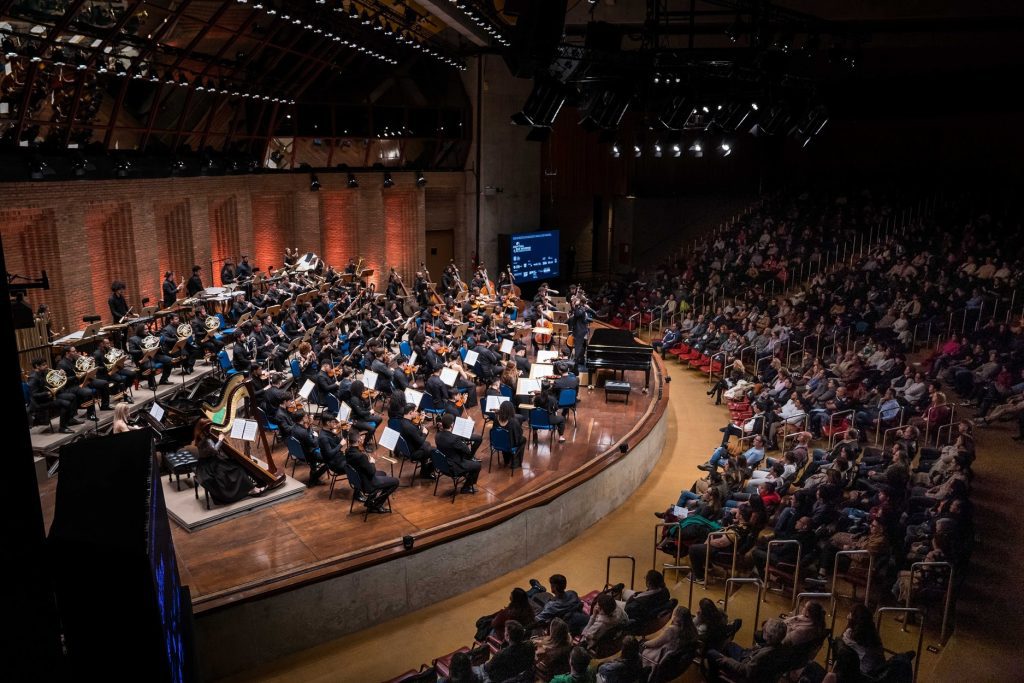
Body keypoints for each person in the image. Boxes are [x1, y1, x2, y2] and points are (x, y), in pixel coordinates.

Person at [192, 418, 264, 504]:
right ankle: (252, 489)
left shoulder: (202, 435)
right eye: (210, 426)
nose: (212, 428)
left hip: (210, 462)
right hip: (209, 467)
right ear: (205, 427)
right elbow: (215, 450)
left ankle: (251, 486)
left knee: (235, 464)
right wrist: (220, 440)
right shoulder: (205, 440)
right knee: (237, 469)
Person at [706, 617, 790, 681]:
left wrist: (727, 660)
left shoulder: (763, 655)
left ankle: (713, 678)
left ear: (768, 636)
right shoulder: (781, 648)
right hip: (749, 658)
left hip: (744, 673)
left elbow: (745, 671)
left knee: (711, 653)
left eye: (764, 631)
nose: (762, 630)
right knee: (730, 645)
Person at [345, 431, 398, 513]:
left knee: (383, 473)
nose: (362, 438)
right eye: (360, 437)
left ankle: (370, 501)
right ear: (358, 441)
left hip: (359, 480)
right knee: (395, 482)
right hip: (367, 483)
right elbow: (372, 472)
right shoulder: (361, 456)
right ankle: (376, 505)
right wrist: (372, 462)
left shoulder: (348, 451)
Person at [641, 607, 699, 674]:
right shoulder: (692, 630)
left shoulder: (672, 631)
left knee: (642, 645)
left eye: (674, 614)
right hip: (676, 663)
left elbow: (655, 643)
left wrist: (644, 643)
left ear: (677, 617)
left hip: (661, 660)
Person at [434, 413, 482, 493]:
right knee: (477, 465)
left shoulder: (437, 436)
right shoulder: (454, 439)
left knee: (467, 460)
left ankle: (467, 475)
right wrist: (462, 443)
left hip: (442, 465)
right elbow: (467, 452)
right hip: (454, 467)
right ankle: (466, 487)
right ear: (452, 425)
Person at [492, 400, 526, 468]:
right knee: (523, 439)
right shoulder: (513, 421)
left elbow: (494, 431)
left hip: (497, 443)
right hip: (509, 444)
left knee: (504, 438)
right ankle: (515, 462)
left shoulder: (496, 419)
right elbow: (518, 436)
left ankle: (506, 460)